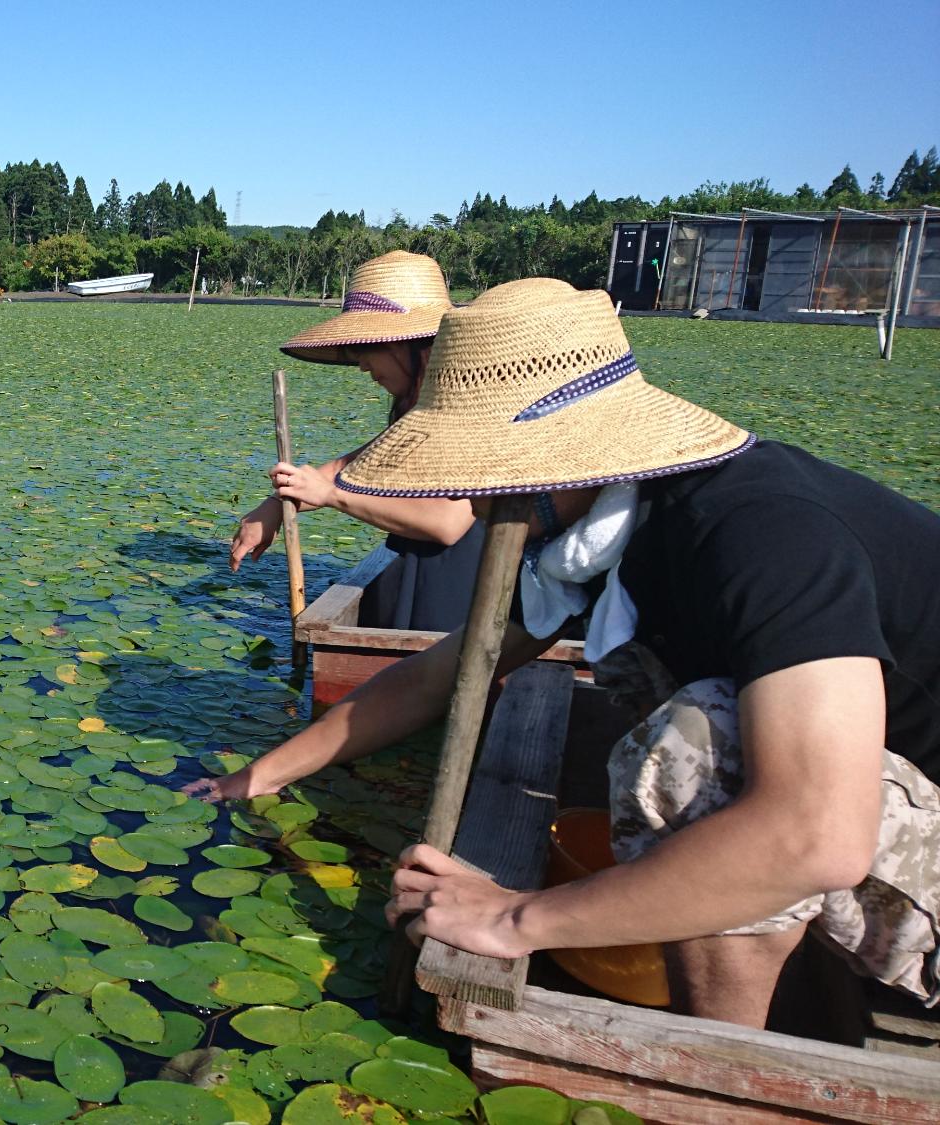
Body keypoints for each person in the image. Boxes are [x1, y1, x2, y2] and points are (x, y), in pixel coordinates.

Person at [188, 279, 940, 1028]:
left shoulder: (763, 531)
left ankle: (717, 1076)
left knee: (697, 745)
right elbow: (436, 677)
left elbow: (816, 831)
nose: (471, 498)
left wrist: (516, 918)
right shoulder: (599, 536)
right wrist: (257, 776)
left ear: (557, 453)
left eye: (480, 467)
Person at [230, 251, 480, 631]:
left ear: (407, 344)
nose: (362, 366)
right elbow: (352, 468)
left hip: (466, 587)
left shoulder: (467, 407)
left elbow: (448, 522)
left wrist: (332, 497)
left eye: (367, 350)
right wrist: (276, 504)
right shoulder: (424, 408)